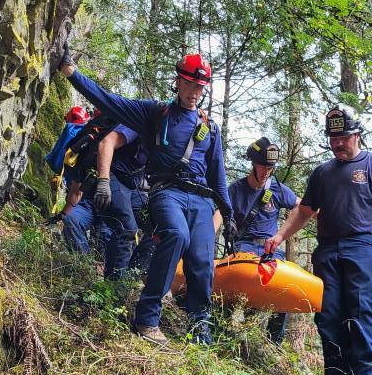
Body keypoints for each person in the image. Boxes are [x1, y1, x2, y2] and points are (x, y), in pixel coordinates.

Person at [60, 48, 232, 346]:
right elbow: (109, 100)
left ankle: (200, 327)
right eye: (190, 85)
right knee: (176, 235)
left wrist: (228, 214)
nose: (195, 92)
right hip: (167, 193)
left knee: (202, 260)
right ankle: (147, 318)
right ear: (178, 82)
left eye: (201, 88)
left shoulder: (210, 128)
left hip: (202, 201)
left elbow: (218, 176)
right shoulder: (156, 114)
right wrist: (72, 73)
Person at [264, 105, 372, 375]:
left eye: (343, 137)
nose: (337, 144)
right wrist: (280, 236)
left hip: (364, 246)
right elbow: (305, 211)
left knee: (362, 312)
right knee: (329, 317)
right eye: (333, 138)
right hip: (328, 250)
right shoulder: (322, 173)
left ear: (357, 135)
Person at [216, 137, 299, 344]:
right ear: (253, 164)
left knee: (283, 287)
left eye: (269, 167)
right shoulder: (235, 189)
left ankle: (273, 344)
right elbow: (218, 214)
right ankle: (228, 335)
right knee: (243, 282)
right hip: (244, 246)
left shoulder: (277, 189)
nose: (265, 171)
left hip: (271, 249)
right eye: (262, 166)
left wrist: (282, 233)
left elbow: (303, 207)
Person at [61, 123, 155, 280]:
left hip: (116, 206)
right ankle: (85, 268)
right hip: (91, 203)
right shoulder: (92, 158)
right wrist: (63, 215)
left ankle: (128, 275)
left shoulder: (137, 164)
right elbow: (75, 191)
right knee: (71, 220)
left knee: (113, 233)